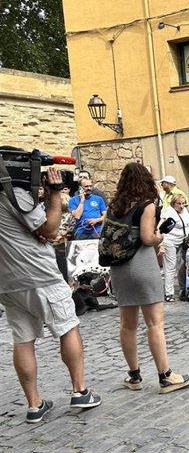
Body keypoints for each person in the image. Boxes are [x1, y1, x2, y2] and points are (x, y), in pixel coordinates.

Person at [0, 167, 102, 423]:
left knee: (22, 339)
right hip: (40, 275)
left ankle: (34, 404)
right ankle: (80, 390)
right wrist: (54, 193)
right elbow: (49, 228)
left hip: (8, 280)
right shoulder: (14, 196)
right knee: (68, 328)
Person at [107, 162, 189, 393]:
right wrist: (159, 237)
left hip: (120, 267)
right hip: (142, 264)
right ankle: (165, 375)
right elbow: (147, 238)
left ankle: (134, 376)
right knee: (155, 323)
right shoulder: (147, 205)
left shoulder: (115, 205)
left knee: (128, 325)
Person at [159, 194, 189, 302]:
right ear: (173, 204)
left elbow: (188, 223)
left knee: (184, 266)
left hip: (183, 241)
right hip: (170, 241)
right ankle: (169, 293)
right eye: (179, 203)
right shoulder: (169, 212)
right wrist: (162, 244)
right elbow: (161, 228)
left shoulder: (184, 211)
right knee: (170, 267)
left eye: (183, 203)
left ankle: (183, 290)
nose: (182, 206)